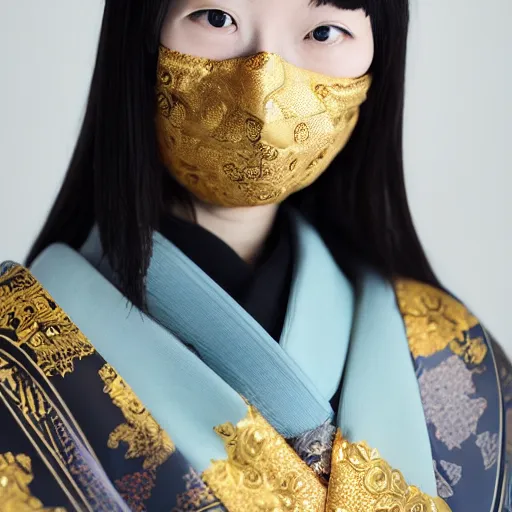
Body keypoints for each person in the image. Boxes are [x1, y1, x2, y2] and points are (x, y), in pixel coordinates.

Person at [0, 0, 509, 510]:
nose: (263, 86)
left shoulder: (452, 353)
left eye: (326, 31)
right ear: (140, 33)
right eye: (217, 18)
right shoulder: (15, 355)